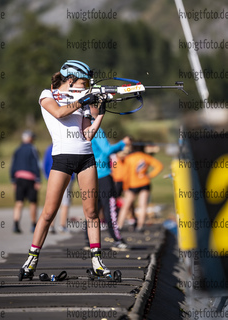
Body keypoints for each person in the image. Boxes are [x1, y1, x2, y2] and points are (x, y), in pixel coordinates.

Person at [20, 60, 111, 279]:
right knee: (49, 212)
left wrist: (99, 113)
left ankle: (97, 261)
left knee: (91, 212)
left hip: (86, 157)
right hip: (61, 159)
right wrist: (83, 101)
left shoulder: (82, 98)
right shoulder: (47, 94)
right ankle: (31, 260)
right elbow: (59, 113)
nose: (85, 87)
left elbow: (88, 134)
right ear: (70, 80)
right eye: (82, 83)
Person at [88, 105, 131, 250]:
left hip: (90, 175)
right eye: (95, 106)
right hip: (103, 175)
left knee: (93, 209)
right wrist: (122, 144)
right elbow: (107, 151)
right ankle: (117, 240)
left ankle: (88, 242)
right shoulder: (97, 129)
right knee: (110, 208)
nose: (98, 108)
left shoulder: (84, 129)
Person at [117, 144, 163, 232]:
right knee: (143, 205)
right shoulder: (145, 157)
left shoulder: (129, 158)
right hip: (144, 183)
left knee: (126, 206)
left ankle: (119, 225)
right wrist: (149, 175)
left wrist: (125, 187)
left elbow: (125, 174)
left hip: (132, 184)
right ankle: (140, 226)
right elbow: (159, 166)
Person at [10, 130, 41, 233]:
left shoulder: (17, 149)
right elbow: (36, 164)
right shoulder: (32, 149)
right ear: (29, 138)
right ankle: (33, 225)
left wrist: (13, 180)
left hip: (18, 178)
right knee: (33, 202)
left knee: (19, 202)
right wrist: (38, 179)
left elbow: (13, 165)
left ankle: (16, 224)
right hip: (30, 179)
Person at [43, 144, 75, 233]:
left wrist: (47, 176)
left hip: (53, 177)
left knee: (53, 201)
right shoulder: (68, 146)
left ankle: (51, 225)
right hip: (67, 176)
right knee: (65, 202)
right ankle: (62, 225)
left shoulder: (49, 148)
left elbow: (45, 164)